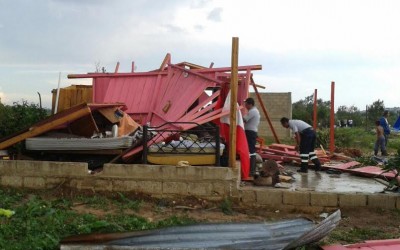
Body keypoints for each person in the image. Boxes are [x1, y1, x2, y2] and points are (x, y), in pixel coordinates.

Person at [243, 97, 260, 177]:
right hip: (251, 132)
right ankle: (251, 169)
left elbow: (244, 119)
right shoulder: (253, 111)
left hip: (250, 132)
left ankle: (251, 170)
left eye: (246, 104)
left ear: (250, 104)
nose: (245, 106)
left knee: (251, 151)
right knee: (251, 150)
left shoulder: (253, 111)